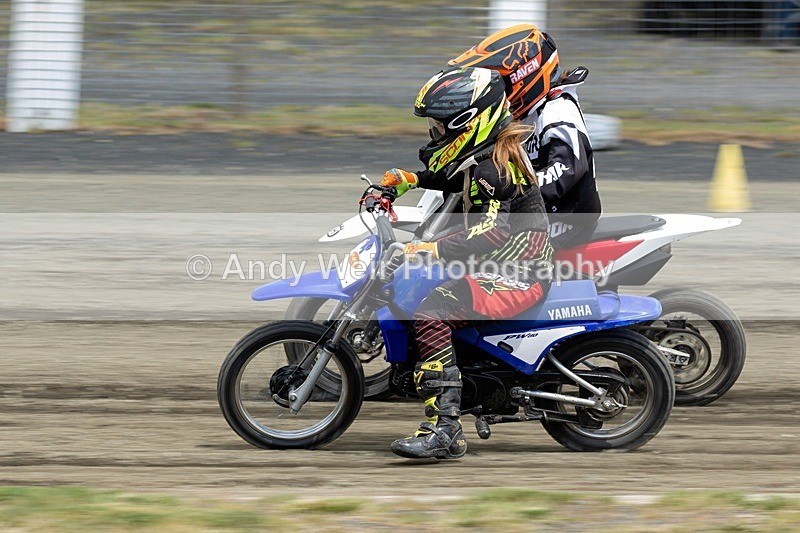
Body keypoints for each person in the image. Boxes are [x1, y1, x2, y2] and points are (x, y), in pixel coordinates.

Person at [381, 67, 554, 459]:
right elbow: (460, 181)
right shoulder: (486, 158)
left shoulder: (496, 167)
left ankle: (445, 430)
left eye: (440, 128)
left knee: (430, 314)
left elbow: (492, 233)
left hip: (518, 275)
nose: (434, 135)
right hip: (500, 266)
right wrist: (413, 179)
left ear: (468, 123)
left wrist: (431, 250)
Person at [448, 24, 601, 248]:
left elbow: (567, 170)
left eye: (502, 83)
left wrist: (513, 191)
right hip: (540, 213)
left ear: (523, 76)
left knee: (481, 248)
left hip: (566, 223)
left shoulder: (558, 112)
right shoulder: (529, 111)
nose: (499, 91)